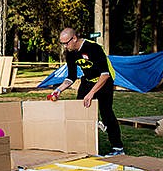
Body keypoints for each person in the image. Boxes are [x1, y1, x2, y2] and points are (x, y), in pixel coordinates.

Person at [49, 27, 124, 156]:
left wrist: (91, 93)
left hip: (104, 81)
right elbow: (71, 77)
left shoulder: (93, 48)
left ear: (74, 38)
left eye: (66, 43)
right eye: (62, 44)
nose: (65, 47)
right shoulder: (71, 53)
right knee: (79, 111)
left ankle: (118, 148)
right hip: (88, 80)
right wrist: (58, 90)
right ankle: (84, 145)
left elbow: (105, 74)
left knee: (106, 113)